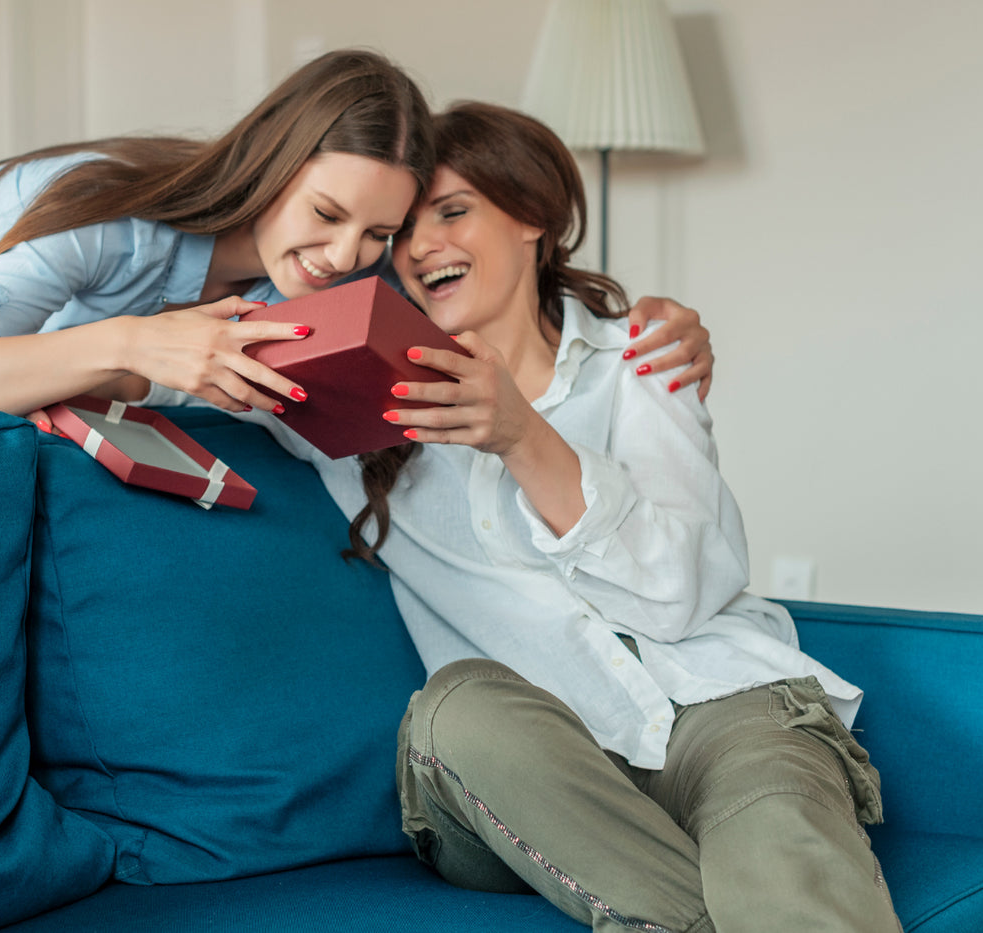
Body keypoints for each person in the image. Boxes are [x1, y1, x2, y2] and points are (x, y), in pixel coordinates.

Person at [243, 102, 898, 931]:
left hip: (719, 714)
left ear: (534, 219)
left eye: (453, 211)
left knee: (783, 853)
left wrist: (523, 434)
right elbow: (166, 346)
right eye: (402, 229)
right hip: (527, 767)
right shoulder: (356, 398)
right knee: (454, 709)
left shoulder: (639, 359)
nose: (419, 247)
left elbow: (678, 596)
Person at [0, 48, 709, 424]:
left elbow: (490, 298)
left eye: (377, 232)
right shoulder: (100, 218)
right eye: (324, 214)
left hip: (47, 399)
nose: (344, 256)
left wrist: (653, 322)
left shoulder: (351, 278)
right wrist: (134, 346)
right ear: (275, 164)